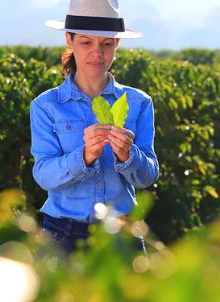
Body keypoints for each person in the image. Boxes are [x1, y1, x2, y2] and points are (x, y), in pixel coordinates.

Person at [30, 0, 159, 254]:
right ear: (70, 40)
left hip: (123, 235)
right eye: (86, 42)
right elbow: (43, 174)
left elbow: (148, 176)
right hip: (62, 236)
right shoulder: (46, 105)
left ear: (117, 44)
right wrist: (85, 157)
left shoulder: (139, 102)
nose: (97, 53)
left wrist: (128, 155)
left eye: (106, 44)